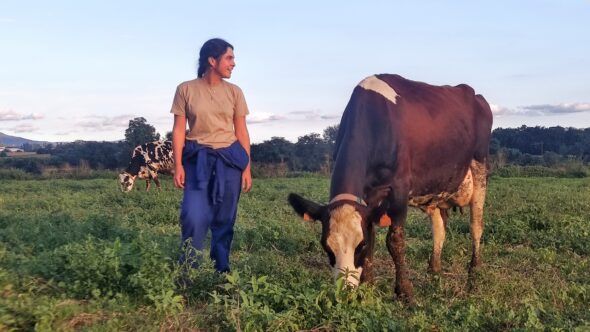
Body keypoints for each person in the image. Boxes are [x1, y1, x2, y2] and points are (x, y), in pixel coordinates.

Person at [170, 38, 252, 273]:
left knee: (225, 220)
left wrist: (246, 168)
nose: (233, 63)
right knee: (193, 216)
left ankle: (222, 271)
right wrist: (178, 165)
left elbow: (242, 131)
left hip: (230, 162)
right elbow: (178, 130)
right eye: (229, 58)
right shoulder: (185, 89)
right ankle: (189, 270)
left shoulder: (235, 92)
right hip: (198, 161)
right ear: (212, 60)